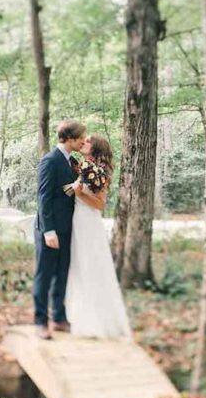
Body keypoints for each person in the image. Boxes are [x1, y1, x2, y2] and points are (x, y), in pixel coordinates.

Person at [64, 135, 133, 340]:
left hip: (89, 222)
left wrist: (80, 194)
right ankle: (77, 316)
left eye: (87, 141)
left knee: (90, 265)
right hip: (76, 220)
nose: (82, 142)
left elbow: (100, 205)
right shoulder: (83, 167)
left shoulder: (98, 172)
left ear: (95, 149)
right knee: (76, 266)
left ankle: (97, 320)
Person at [33, 120, 86, 340]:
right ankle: (40, 321)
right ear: (71, 138)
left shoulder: (71, 161)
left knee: (62, 274)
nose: (84, 141)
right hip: (50, 229)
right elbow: (43, 199)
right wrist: (49, 231)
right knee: (44, 275)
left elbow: (67, 193)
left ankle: (59, 318)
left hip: (67, 227)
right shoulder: (50, 161)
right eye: (81, 137)